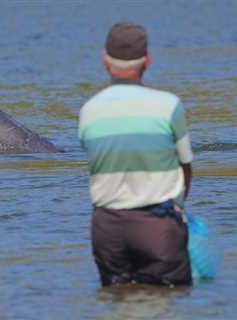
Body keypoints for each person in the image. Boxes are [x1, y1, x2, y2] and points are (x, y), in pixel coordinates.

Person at [78, 22, 194, 287]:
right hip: (158, 227)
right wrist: (178, 207)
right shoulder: (169, 106)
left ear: (105, 61)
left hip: (107, 229)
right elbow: (186, 165)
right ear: (148, 61)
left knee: (116, 304)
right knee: (168, 301)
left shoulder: (89, 111)